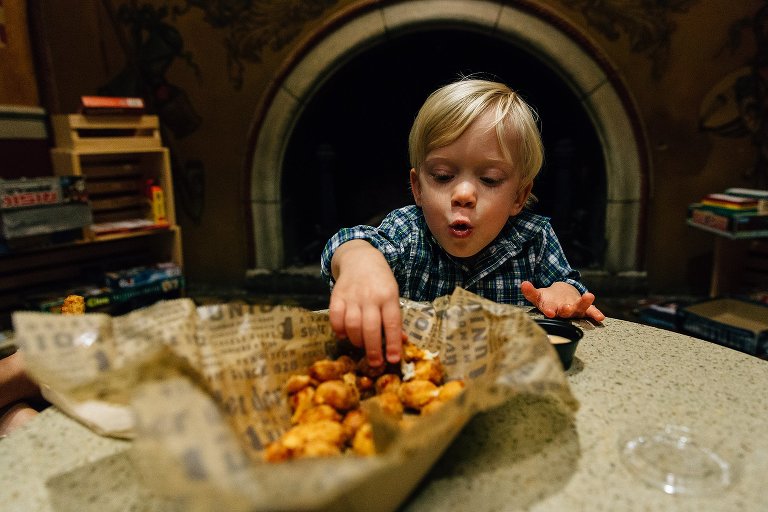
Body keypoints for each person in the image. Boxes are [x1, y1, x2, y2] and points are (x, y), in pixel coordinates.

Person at [321, 78, 605, 367]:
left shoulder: (534, 238)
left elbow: (567, 286)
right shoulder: (407, 232)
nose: (464, 194)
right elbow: (347, 243)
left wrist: (563, 295)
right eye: (443, 176)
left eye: (489, 179)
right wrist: (359, 261)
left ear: (519, 196)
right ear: (418, 187)